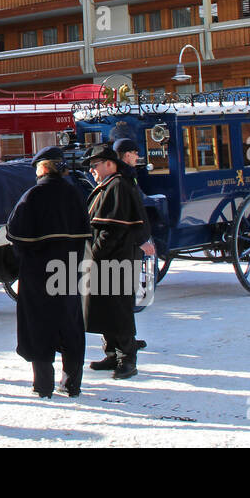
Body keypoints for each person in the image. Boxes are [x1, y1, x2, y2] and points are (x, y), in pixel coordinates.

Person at [6, 147, 92, 398]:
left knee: (38, 325)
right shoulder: (75, 194)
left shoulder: (32, 195)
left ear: (42, 168)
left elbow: (15, 233)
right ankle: (73, 383)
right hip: (67, 271)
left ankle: (43, 386)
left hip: (37, 274)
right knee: (70, 325)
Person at [82, 142, 151, 380]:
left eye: (95, 165)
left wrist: (95, 253)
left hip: (116, 261)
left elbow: (112, 229)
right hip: (106, 260)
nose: (92, 170)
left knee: (118, 310)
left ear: (110, 164)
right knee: (105, 308)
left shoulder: (118, 186)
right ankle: (111, 353)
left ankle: (126, 358)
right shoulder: (109, 185)